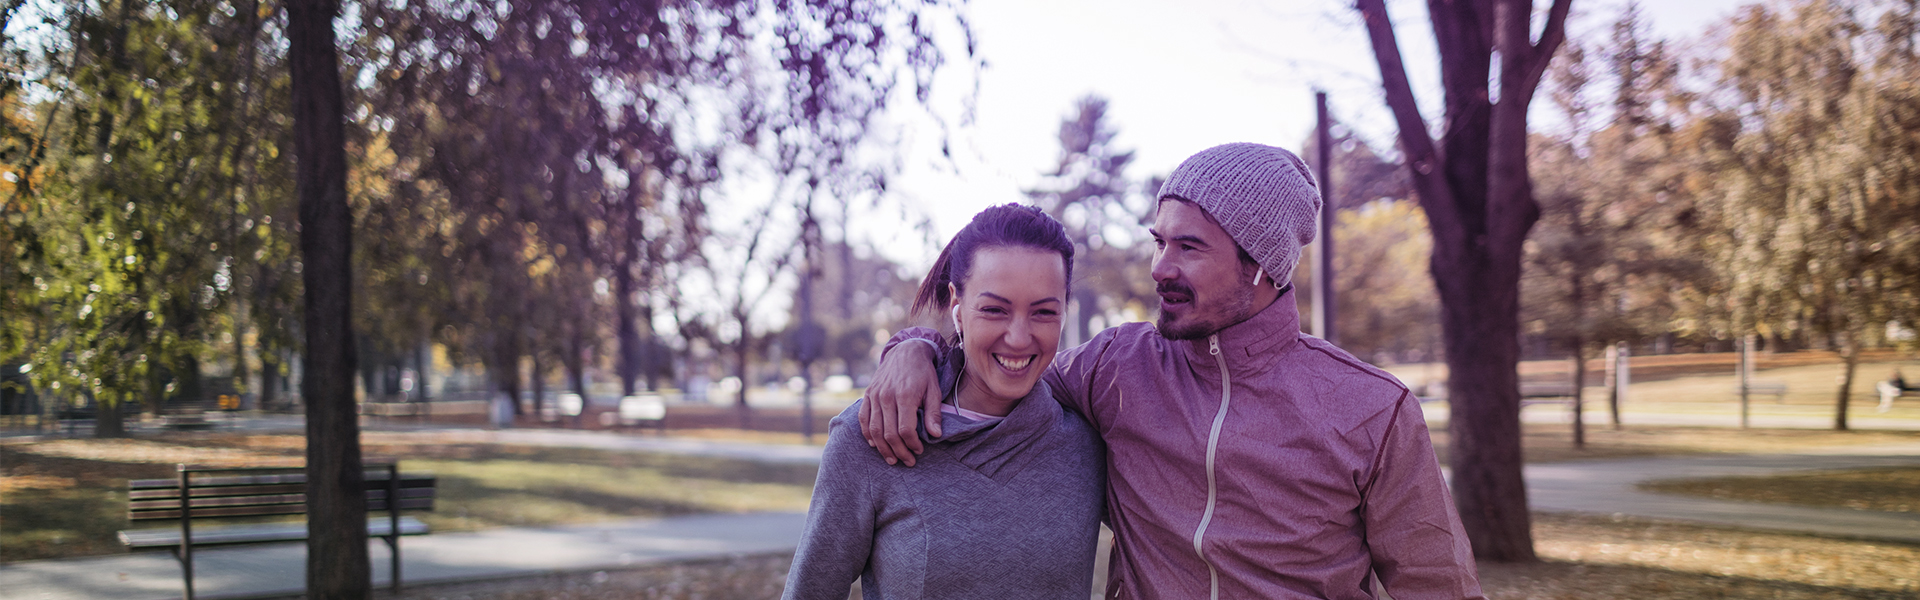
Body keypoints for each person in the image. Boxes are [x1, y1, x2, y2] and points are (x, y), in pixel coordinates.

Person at [861, 143, 1484, 599]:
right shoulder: (1115, 368)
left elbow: (1438, 586)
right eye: (1159, 241)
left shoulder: (1372, 409)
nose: (1160, 267)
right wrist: (913, 345)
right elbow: (997, 364)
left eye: (1189, 247)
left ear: (1262, 266)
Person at [782, 204, 1106, 599]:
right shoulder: (874, 433)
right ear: (957, 306)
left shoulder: (1088, 443)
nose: (1019, 338)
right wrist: (915, 345)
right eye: (994, 310)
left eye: (1043, 312)